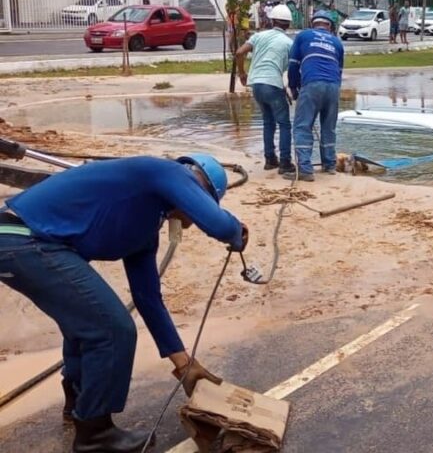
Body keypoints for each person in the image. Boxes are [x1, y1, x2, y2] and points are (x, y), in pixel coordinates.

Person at [0, 154, 248, 453]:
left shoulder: (144, 225)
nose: (194, 219)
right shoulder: (166, 170)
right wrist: (237, 231)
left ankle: (79, 402)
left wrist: (184, 364)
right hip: (25, 239)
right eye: (201, 201)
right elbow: (221, 226)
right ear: (197, 185)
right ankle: (95, 435)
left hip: (22, 242)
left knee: (86, 324)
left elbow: (148, 299)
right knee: (112, 329)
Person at [284, 10, 345, 182]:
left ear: (313, 23)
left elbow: (294, 64)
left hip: (312, 84)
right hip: (333, 87)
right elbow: (339, 72)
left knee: (302, 126)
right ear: (330, 26)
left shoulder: (304, 36)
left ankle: (304, 169)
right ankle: (330, 165)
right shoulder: (337, 43)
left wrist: (294, 87)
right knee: (329, 127)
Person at [236, 4, 296, 174]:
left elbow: (240, 53)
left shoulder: (258, 36)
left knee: (268, 122)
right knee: (284, 124)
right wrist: (291, 88)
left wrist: (242, 74)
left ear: (272, 21)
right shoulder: (289, 43)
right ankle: (285, 163)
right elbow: (290, 69)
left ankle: (270, 160)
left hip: (256, 85)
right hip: (272, 84)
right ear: (289, 24)